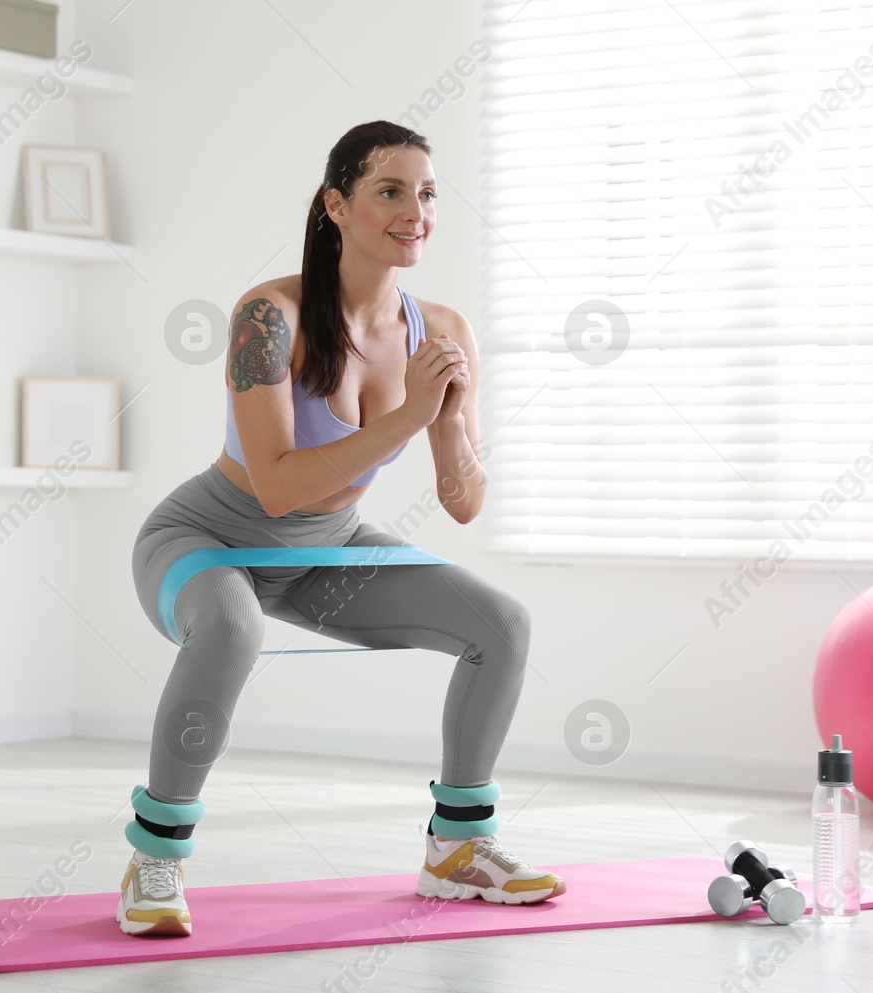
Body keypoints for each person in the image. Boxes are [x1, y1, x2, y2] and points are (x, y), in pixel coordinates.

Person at [119, 120, 564, 936]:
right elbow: (279, 488)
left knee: (503, 624)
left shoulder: (445, 331)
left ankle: (458, 848)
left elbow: (463, 502)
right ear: (336, 205)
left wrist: (452, 420)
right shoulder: (268, 317)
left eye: (426, 193)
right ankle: (157, 857)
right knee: (230, 626)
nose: (415, 211)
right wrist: (410, 416)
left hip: (329, 551)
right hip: (206, 539)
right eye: (390, 191)